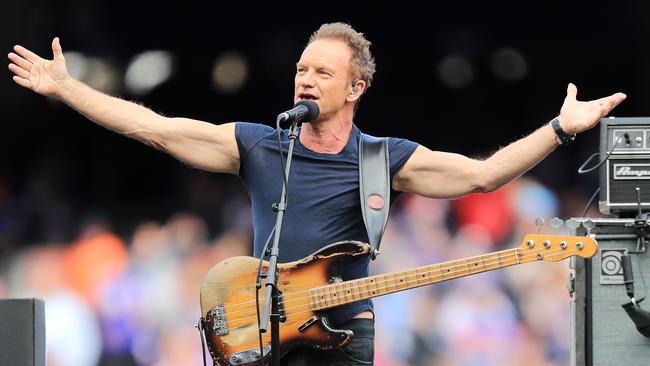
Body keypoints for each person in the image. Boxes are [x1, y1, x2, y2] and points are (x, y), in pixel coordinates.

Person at [8, 22, 626, 365]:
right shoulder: (259, 143)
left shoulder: (383, 158)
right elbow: (156, 130)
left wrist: (557, 129)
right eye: (302, 68)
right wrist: (69, 90)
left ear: (355, 88)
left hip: (343, 334)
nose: (305, 77)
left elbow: (480, 176)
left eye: (322, 71)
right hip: (259, 328)